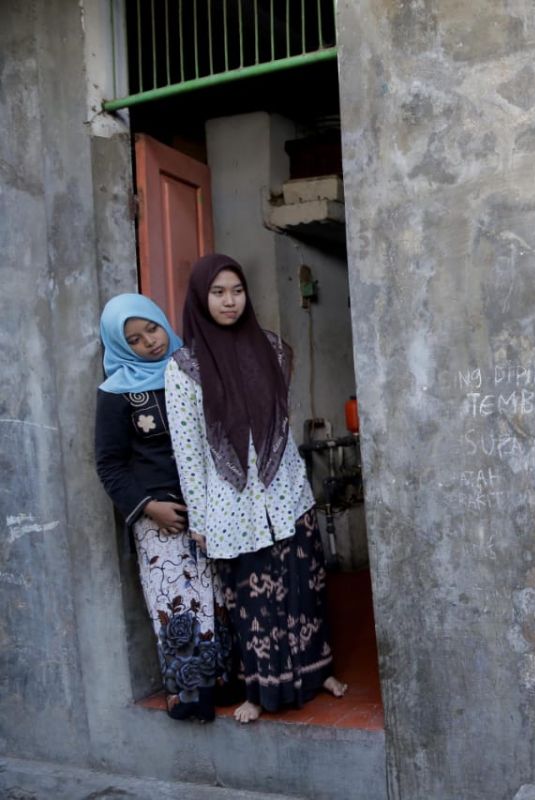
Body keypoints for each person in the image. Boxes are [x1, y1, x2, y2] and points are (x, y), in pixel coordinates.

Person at [164, 254, 347, 724]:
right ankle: (258, 690)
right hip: (231, 506)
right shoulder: (184, 368)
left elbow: (280, 433)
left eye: (237, 291)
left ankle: (317, 671)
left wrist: (300, 492)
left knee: (303, 590)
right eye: (219, 292)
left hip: (286, 496)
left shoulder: (272, 349)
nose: (230, 301)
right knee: (251, 601)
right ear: (201, 299)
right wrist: (201, 521)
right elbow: (188, 453)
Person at [94, 293, 239, 722]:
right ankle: (192, 694)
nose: (150, 343)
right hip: (161, 520)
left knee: (217, 596)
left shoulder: (192, 370)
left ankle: (228, 682)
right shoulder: (116, 393)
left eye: (152, 329)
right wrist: (149, 507)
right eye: (134, 339)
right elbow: (109, 463)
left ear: (163, 322)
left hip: (210, 509)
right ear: (120, 346)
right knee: (178, 602)